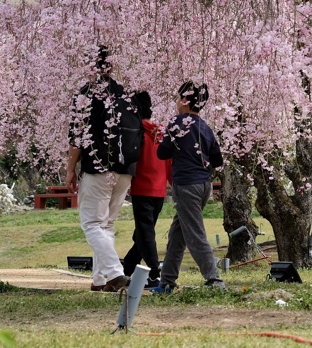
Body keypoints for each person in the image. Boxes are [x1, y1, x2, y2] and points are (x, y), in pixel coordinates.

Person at [66, 46, 135, 293]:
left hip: (97, 168)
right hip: (125, 169)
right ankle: (100, 280)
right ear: (111, 66)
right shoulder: (126, 94)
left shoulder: (85, 96)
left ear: (89, 67)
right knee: (106, 225)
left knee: (93, 225)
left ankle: (115, 273)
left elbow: (76, 137)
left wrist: (70, 169)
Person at [151, 81, 226, 293]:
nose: (176, 103)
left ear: (185, 100)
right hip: (204, 185)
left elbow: (162, 153)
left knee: (195, 234)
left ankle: (215, 281)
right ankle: (166, 283)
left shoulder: (177, 122)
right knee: (177, 234)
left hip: (186, 184)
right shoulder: (205, 126)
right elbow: (217, 160)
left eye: (178, 98)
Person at [122, 91, 170, 289]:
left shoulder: (136, 130)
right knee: (142, 234)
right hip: (159, 188)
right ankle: (127, 267)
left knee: (145, 233)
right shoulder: (160, 132)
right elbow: (169, 160)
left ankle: (153, 273)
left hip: (142, 186)